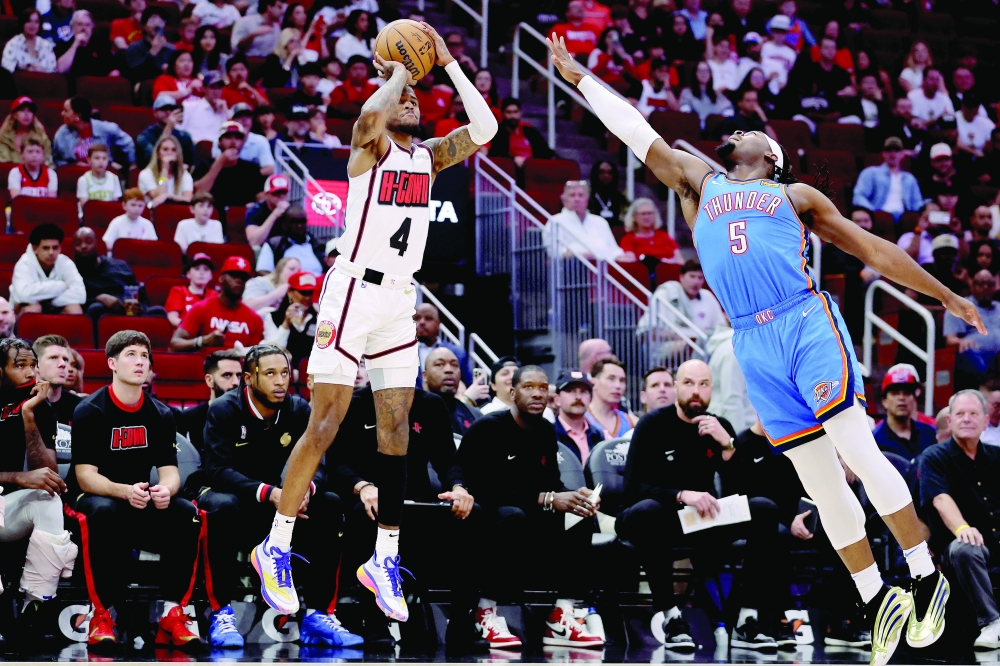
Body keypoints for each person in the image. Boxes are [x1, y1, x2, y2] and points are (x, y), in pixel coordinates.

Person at [546, 34, 982, 665]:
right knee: (821, 483)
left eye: (754, 131)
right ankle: (874, 597)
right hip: (752, 339)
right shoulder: (699, 182)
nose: (742, 131)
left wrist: (944, 295)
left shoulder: (796, 196)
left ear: (772, 156)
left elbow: (874, 250)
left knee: (857, 447)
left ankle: (923, 573)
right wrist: (581, 78)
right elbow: (637, 132)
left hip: (804, 321)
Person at [250, 23, 497, 624]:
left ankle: (384, 557)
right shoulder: (370, 148)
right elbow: (367, 118)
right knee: (326, 422)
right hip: (352, 290)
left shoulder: (429, 157)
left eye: (414, 96)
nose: (408, 99)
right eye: (400, 96)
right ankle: (275, 544)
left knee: (397, 431)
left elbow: (486, 128)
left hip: (399, 302)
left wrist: (448, 63)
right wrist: (402, 70)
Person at [189, 345, 361, 648]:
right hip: (239, 497)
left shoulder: (299, 409)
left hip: (284, 503)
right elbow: (218, 470)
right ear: (248, 378)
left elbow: (319, 460)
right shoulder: (224, 410)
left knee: (330, 503)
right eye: (270, 374)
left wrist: (305, 489)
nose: (280, 381)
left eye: (284, 373)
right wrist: (270, 493)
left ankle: (319, 615)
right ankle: (220, 612)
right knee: (221, 506)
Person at [617, 359, 786, 649]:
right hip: (656, 517)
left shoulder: (719, 427)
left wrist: (728, 446)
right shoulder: (652, 425)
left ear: (711, 390)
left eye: (703, 384)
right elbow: (632, 488)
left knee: (764, 509)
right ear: (676, 387)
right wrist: (682, 494)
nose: (696, 391)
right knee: (649, 511)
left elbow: (739, 492)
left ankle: (746, 619)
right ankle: (671, 617)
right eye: (689, 383)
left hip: (701, 520)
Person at [67, 331, 201, 647]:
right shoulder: (90, 410)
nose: (140, 361)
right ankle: (101, 615)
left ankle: (173, 612)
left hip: (138, 499)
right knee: (103, 510)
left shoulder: (161, 414)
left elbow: (170, 472)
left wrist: (165, 490)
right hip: (93, 498)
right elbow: (85, 476)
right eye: (131, 354)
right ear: (112, 363)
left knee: (186, 512)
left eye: (144, 356)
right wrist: (124, 491)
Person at [456, 365, 604, 648]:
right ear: (512, 393)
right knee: (512, 516)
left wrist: (574, 495)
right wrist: (547, 498)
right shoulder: (488, 428)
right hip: (486, 515)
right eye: (529, 387)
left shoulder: (545, 430)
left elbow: (550, 483)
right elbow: (482, 488)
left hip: (528, 513)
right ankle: (484, 612)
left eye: (543, 387)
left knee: (580, 516)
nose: (537, 393)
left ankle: (561, 615)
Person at [331, 378, 477, 645]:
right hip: (368, 497)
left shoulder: (430, 404)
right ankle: (374, 623)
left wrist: (458, 487)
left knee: (470, 513)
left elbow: (447, 459)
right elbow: (336, 461)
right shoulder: (354, 403)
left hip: (418, 501)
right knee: (365, 515)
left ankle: (462, 624)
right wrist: (362, 486)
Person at [0, 339, 73, 638]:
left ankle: (37, 603)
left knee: (48, 498)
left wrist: (29, 416)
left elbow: (49, 473)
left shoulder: (38, 405)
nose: (31, 373)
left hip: (6, 510)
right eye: (20, 366)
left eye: (33, 365)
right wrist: (17, 477)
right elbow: (24, 477)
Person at [919, 389, 1000, 649]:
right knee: (966, 546)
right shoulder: (934, 457)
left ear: (985, 421)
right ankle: (992, 623)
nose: (967, 419)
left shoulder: (997, 456)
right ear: (950, 420)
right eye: (960, 414)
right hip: (959, 551)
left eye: (974, 413)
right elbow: (940, 499)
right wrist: (962, 527)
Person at [170, 256, 264, 352]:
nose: (239, 280)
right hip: (206, 360)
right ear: (221, 278)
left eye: (243, 278)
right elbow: (174, 344)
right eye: (234, 275)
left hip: (239, 361)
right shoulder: (201, 308)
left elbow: (256, 356)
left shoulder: (255, 319)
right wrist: (203, 341)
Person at [637, 260, 727, 343]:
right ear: (681, 277)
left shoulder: (708, 296)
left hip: (706, 342)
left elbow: (721, 327)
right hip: (671, 344)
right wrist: (688, 338)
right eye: (692, 276)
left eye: (700, 278)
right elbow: (649, 331)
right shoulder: (665, 294)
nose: (696, 282)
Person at [72, 227, 144, 325]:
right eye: (78, 243)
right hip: (101, 313)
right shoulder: (72, 271)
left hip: (129, 310)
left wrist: (139, 305)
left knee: (158, 311)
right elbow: (72, 300)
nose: (83, 246)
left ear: (97, 244)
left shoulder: (120, 265)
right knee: (96, 308)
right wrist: (98, 298)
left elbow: (139, 292)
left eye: (88, 242)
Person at [175, 350, 241, 456]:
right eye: (227, 375)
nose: (236, 382)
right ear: (209, 380)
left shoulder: (250, 417)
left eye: (239, 376)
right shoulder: (189, 418)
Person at [10, 224, 85, 315]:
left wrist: (48, 302)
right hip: (26, 307)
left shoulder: (65, 262)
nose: (51, 252)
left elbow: (81, 295)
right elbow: (24, 296)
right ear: (35, 249)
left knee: (74, 309)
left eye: (55, 247)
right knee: (34, 308)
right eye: (46, 248)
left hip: (56, 307)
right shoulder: (24, 264)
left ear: (60, 248)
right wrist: (61, 286)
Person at [945, 269, 1000, 391]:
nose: (985, 287)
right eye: (981, 284)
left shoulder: (999, 307)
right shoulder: (960, 306)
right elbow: (950, 339)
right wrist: (960, 341)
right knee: (971, 355)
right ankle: (985, 390)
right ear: (972, 286)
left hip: (998, 356)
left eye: (990, 284)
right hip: (975, 354)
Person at [544, 180, 625, 261]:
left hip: (603, 264)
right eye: (572, 195)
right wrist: (575, 255)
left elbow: (614, 249)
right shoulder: (555, 221)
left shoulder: (600, 221)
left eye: (581, 195)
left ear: (587, 200)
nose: (577, 199)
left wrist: (621, 255)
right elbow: (553, 251)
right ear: (564, 200)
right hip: (572, 265)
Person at [193, 121, 266, 207]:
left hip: (241, 213)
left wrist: (255, 205)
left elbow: (261, 198)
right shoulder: (205, 165)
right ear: (219, 142)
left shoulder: (251, 169)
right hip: (212, 212)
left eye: (238, 138)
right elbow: (198, 193)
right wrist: (220, 162)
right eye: (228, 137)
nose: (233, 142)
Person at [873, 363, 936, 461]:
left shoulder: (931, 434)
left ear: (914, 399)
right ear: (884, 401)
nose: (901, 398)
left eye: (907, 393)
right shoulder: (874, 441)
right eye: (895, 393)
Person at [853, 136, 925, 221]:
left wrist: (928, 207)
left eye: (897, 150)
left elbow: (917, 203)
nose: (892, 153)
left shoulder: (909, 178)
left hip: (903, 219)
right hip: (879, 217)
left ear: (902, 154)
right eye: (888, 150)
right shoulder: (871, 173)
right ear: (883, 154)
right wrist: (872, 212)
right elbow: (858, 197)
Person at [53, 96, 135, 168]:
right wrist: (72, 165)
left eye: (66, 111)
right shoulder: (62, 133)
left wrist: (132, 165)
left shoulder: (105, 128)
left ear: (77, 115)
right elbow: (56, 159)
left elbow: (128, 142)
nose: (62, 113)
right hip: (76, 174)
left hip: (103, 172)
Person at [706, 316, 755, 432]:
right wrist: (737, 439)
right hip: (739, 431)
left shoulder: (741, 345)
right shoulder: (733, 349)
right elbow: (732, 399)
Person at [260, 271, 316, 367]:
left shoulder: (318, 319)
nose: (307, 297)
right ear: (290, 292)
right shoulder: (274, 317)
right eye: (303, 292)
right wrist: (286, 324)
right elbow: (272, 351)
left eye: (310, 293)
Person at [422, 347, 482, 437]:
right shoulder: (409, 412)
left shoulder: (475, 415)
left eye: (454, 365)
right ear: (425, 376)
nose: (449, 370)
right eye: (439, 364)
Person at [414, 303, 472, 389]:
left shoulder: (457, 353)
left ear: (438, 323)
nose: (422, 322)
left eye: (428, 318)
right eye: (417, 318)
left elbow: (468, 385)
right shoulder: (402, 352)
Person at [256, 206, 326, 275]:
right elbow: (262, 271)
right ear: (284, 224)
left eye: (302, 221)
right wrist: (278, 281)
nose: (299, 225)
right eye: (294, 222)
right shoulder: (274, 244)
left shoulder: (318, 245)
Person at [211, 103, 276, 177]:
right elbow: (215, 165)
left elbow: (270, 169)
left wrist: (245, 177)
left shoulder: (261, 140)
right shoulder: (220, 139)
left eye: (247, 116)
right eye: (239, 116)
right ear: (231, 120)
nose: (244, 120)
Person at [554, 370, 605, 462]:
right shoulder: (545, 436)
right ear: (557, 399)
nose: (578, 397)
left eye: (583, 391)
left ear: (590, 398)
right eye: (571, 391)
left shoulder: (600, 437)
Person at [488, 97, 554, 169]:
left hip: (533, 168)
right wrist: (513, 159)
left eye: (515, 112)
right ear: (503, 113)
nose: (513, 116)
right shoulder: (498, 133)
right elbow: (496, 154)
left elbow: (546, 152)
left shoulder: (531, 132)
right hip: (509, 169)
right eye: (509, 112)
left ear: (520, 112)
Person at [33, 334, 82, 427]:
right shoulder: (18, 405)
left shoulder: (80, 407)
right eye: (53, 358)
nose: (63, 364)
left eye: (65, 359)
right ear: (36, 365)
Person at [136, 95, 197, 169]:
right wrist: (168, 128)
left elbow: (192, 164)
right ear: (155, 112)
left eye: (171, 109)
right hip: (154, 173)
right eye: (163, 109)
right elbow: (153, 160)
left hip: (180, 173)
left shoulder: (184, 136)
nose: (168, 112)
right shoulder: (145, 137)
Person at [55, 9, 117, 77]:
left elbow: (112, 70)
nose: (84, 28)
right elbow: (60, 69)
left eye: (87, 25)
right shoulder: (63, 44)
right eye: (80, 24)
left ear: (92, 27)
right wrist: (75, 44)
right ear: (72, 27)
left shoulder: (101, 45)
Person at [585, 357, 636, 438]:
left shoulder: (632, 422)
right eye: (611, 379)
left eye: (622, 380)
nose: (618, 386)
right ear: (593, 383)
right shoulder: (580, 419)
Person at [619, 198, 681, 264]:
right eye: (643, 214)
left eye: (650, 213)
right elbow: (631, 263)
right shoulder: (628, 239)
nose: (647, 217)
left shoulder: (664, 236)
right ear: (634, 217)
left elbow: (680, 261)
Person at [138, 135, 193, 208]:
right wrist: (165, 169)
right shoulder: (146, 174)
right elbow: (159, 196)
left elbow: (188, 199)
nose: (169, 153)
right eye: (165, 149)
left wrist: (169, 197)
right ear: (158, 153)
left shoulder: (184, 175)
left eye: (174, 150)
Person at [678, 61, 734, 130]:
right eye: (700, 70)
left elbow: (728, 108)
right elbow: (684, 111)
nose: (703, 73)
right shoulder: (687, 92)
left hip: (714, 130)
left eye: (706, 70)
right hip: (693, 128)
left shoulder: (717, 94)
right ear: (695, 73)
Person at [123, 8, 174, 83]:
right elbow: (134, 75)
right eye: (153, 20)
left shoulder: (171, 49)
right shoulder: (134, 47)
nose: (157, 24)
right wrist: (153, 52)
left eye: (161, 21)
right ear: (145, 26)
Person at [165, 252, 216, 326]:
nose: (202, 273)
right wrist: (190, 328)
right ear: (188, 274)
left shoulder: (214, 295)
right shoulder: (178, 291)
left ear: (211, 276)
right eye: (197, 269)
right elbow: (172, 318)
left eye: (206, 269)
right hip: (183, 331)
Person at [179, 71, 230, 144]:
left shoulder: (224, 110)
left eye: (219, 87)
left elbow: (234, 135)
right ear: (204, 88)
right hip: (194, 147)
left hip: (218, 149)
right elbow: (178, 133)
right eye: (213, 87)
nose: (217, 91)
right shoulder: (189, 107)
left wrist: (226, 112)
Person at [1, 8, 56, 74]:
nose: (32, 25)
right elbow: (6, 71)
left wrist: (41, 71)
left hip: (44, 79)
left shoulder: (46, 45)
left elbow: (53, 71)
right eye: (29, 21)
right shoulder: (13, 44)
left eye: (36, 22)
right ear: (23, 23)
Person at [0, 97, 53, 165]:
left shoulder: (42, 138)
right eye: (22, 110)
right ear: (14, 115)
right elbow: (4, 164)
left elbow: (48, 162)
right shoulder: (4, 138)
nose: (26, 114)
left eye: (30, 111)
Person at [245, 174, 289, 247]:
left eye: (284, 192)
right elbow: (254, 242)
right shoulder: (255, 210)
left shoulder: (292, 210)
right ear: (266, 195)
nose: (281, 196)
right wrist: (275, 214)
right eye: (276, 193)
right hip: (262, 248)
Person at [588, 160, 629, 226]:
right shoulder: (587, 197)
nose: (606, 176)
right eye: (601, 172)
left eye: (610, 172)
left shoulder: (621, 199)